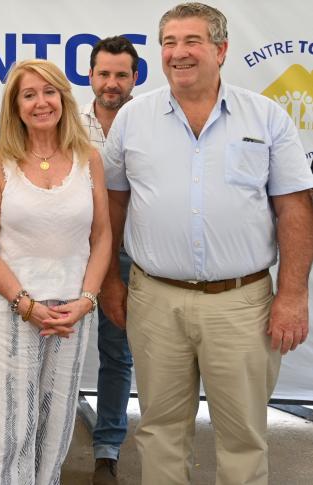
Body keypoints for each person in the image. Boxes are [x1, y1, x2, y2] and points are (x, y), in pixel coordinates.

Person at [103, 4, 313, 484]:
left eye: (191, 41)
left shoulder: (266, 118)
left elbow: (296, 209)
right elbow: (113, 206)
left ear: (221, 50)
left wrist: (294, 294)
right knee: (159, 431)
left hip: (242, 304)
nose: (179, 53)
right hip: (154, 298)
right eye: (169, 43)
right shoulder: (134, 119)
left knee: (242, 436)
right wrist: (110, 283)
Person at [0, 58, 111, 485]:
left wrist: (86, 300)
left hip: (71, 311)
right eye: (28, 94)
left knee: (56, 426)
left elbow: (102, 236)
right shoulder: (0, 160)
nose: (40, 102)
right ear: (15, 105)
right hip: (13, 309)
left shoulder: (89, 158)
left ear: (63, 98)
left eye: (48, 91)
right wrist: (23, 302)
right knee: (14, 427)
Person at [79, 35, 139, 485]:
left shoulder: (149, 123)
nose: (112, 82)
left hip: (125, 255)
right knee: (56, 347)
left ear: (135, 78)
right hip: (69, 252)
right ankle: (46, 442)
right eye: (104, 73)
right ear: (91, 75)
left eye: (121, 74)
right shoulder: (66, 122)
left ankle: (108, 449)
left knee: (116, 353)